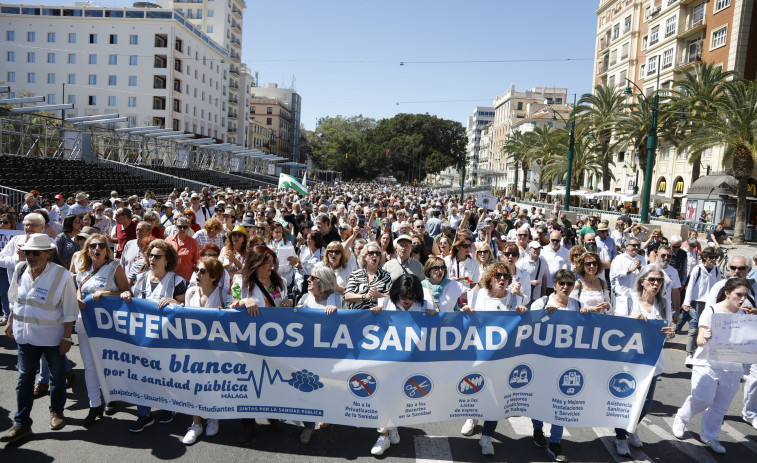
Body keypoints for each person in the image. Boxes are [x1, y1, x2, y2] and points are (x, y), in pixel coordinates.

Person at [1, 234, 77, 443]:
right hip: (25, 337)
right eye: (27, 252)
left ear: (48, 254)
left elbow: (70, 310)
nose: (30, 256)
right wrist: (10, 321)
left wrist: (67, 337)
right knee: (24, 379)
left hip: (52, 339)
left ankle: (57, 412)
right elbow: (14, 298)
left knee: (57, 377)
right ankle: (22, 423)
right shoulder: (20, 269)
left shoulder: (62, 276)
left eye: (36, 252)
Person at [672, 278, 755, 454]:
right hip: (707, 362)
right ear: (727, 293)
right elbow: (699, 339)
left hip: (732, 365)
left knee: (721, 405)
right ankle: (681, 417)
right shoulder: (711, 311)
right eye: (738, 295)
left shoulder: (744, 316)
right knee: (702, 398)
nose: (742, 299)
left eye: (745, 296)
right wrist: (706, 338)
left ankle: (710, 435)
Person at [459, 263, 527, 454]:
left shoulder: (514, 299)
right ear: (490, 277)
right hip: (479, 355)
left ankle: (487, 436)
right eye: (498, 275)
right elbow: (468, 321)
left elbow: (522, 326)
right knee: (475, 390)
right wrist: (466, 312)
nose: (502, 279)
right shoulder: (478, 295)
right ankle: (472, 418)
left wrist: (522, 310)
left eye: (506, 276)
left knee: (496, 399)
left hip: (502, 359)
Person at [229, 245, 292, 443]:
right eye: (266, 262)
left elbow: (281, 309)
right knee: (249, 383)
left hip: (274, 342)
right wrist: (242, 302)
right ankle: (248, 423)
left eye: (272, 262)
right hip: (247, 343)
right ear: (255, 263)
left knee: (272, 379)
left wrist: (287, 305)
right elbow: (229, 307)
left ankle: (272, 413)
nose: (271, 267)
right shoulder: (240, 281)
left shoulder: (280, 282)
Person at [369, 274, 435, 455]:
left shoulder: (423, 303)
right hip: (388, 360)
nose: (407, 301)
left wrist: (432, 312)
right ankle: (383, 435)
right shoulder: (387, 304)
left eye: (411, 297)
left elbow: (438, 317)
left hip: (413, 362)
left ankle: (393, 426)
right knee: (384, 395)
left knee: (400, 397)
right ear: (397, 293)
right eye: (403, 296)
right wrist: (376, 313)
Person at [614, 265, 675, 456]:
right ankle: (620, 437)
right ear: (642, 281)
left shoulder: (663, 304)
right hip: (630, 361)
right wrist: (633, 319)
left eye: (659, 281)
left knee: (646, 405)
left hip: (652, 362)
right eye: (652, 280)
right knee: (627, 401)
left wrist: (671, 333)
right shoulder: (629, 299)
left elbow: (667, 332)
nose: (656, 284)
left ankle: (630, 429)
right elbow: (616, 325)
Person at [75, 233, 131, 427]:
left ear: (107, 250)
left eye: (100, 246)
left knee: (108, 364)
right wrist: (78, 299)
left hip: (108, 326)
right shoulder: (82, 268)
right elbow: (79, 289)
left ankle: (112, 397)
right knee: (89, 366)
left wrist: (106, 293)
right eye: (92, 246)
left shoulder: (114, 267)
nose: (96, 249)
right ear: (87, 249)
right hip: (85, 323)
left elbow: (126, 292)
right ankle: (94, 404)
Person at [525, 268, 580, 462]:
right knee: (539, 397)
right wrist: (545, 314)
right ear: (555, 285)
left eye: (569, 284)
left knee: (562, 400)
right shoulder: (541, 302)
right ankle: (538, 429)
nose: (565, 287)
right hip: (542, 360)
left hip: (566, 362)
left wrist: (592, 313)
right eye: (562, 283)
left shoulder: (576, 304)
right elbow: (529, 326)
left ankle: (555, 441)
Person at [179, 256, 227, 444]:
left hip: (216, 351)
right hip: (193, 349)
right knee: (194, 385)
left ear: (214, 276)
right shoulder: (190, 292)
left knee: (213, 384)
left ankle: (213, 416)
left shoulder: (223, 294)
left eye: (202, 271)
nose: (197, 274)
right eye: (196, 270)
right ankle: (196, 423)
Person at [679, 246, 721, 365]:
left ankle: (700, 353)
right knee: (694, 329)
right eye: (711, 257)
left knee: (706, 328)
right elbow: (690, 286)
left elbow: (718, 288)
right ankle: (689, 354)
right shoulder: (697, 269)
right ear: (705, 257)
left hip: (710, 303)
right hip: (696, 302)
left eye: (715, 257)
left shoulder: (717, 270)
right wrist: (686, 303)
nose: (713, 260)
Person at [344, 242, 392, 310]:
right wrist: (365, 296)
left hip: (377, 316)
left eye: (377, 253)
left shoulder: (385, 275)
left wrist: (378, 295)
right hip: (357, 316)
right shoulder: (356, 273)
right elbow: (347, 296)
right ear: (364, 256)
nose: (374, 255)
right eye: (371, 253)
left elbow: (391, 298)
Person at [610, 238, 646, 316]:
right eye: (634, 245)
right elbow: (616, 274)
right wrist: (631, 270)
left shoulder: (642, 259)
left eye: (638, 245)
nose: (636, 247)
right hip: (621, 294)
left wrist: (639, 268)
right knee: (620, 318)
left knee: (633, 318)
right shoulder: (619, 258)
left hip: (636, 295)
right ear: (627, 246)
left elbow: (645, 276)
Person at [167, 217, 201, 282]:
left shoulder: (193, 243)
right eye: (180, 227)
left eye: (185, 227)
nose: (182, 229)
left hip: (185, 279)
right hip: (169, 277)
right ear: (176, 227)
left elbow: (198, 261)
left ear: (188, 229)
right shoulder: (168, 240)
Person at [542, 231, 570, 295]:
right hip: (545, 285)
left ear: (560, 240)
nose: (555, 242)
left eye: (557, 240)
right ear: (549, 239)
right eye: (553, 240)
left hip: (560, 286)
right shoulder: (543, 250)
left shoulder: (566, 252)